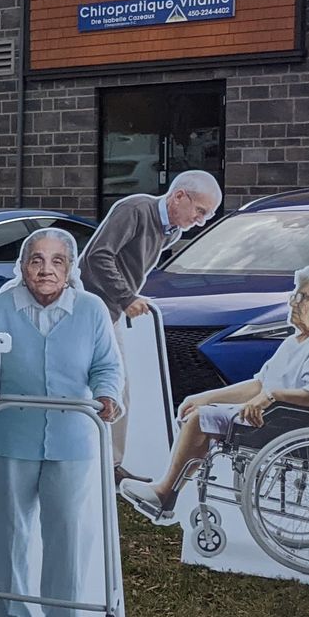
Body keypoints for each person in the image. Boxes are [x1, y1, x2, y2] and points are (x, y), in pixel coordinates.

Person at [0, 229, 122, 617]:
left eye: (57, 261)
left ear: (70, 268)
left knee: (67, 531)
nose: (46, 269)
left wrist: (107, 396)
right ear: (22, 266)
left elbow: (107, 366)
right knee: (10, 528)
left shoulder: (91, 310)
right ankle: (12, 614)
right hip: (9, 433)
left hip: (71, 437)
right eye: (36, 260)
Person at [122, 262, 309, 522]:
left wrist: (273, 397)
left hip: (287, 423)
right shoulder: (293, 342)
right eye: (295, 294)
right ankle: (167, 494)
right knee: (200, 411)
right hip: (272, 418)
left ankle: (165, 493)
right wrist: (206, 396)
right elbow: (259, 383)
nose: (294, 302)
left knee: (200, 419)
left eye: (303, 297)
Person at [80, 169, 222, 472]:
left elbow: (130, 265)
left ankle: (102, 460)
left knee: (107, 383)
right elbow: (98, 255)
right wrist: (127, 297)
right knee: (116, 383)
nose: (201, 221)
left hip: (111, 308)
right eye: (200, 211)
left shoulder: (171, 229)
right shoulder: (135, 210)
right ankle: (109, 465)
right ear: (179, 196)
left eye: (207, 216)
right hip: (91, 305)